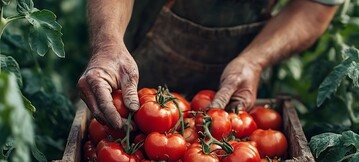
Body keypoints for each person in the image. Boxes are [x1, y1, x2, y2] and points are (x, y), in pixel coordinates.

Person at [77, 0, 343, 130]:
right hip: (130, 56)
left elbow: (315, 6)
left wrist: (254, 60)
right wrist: (108, 43)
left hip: (238, 78)